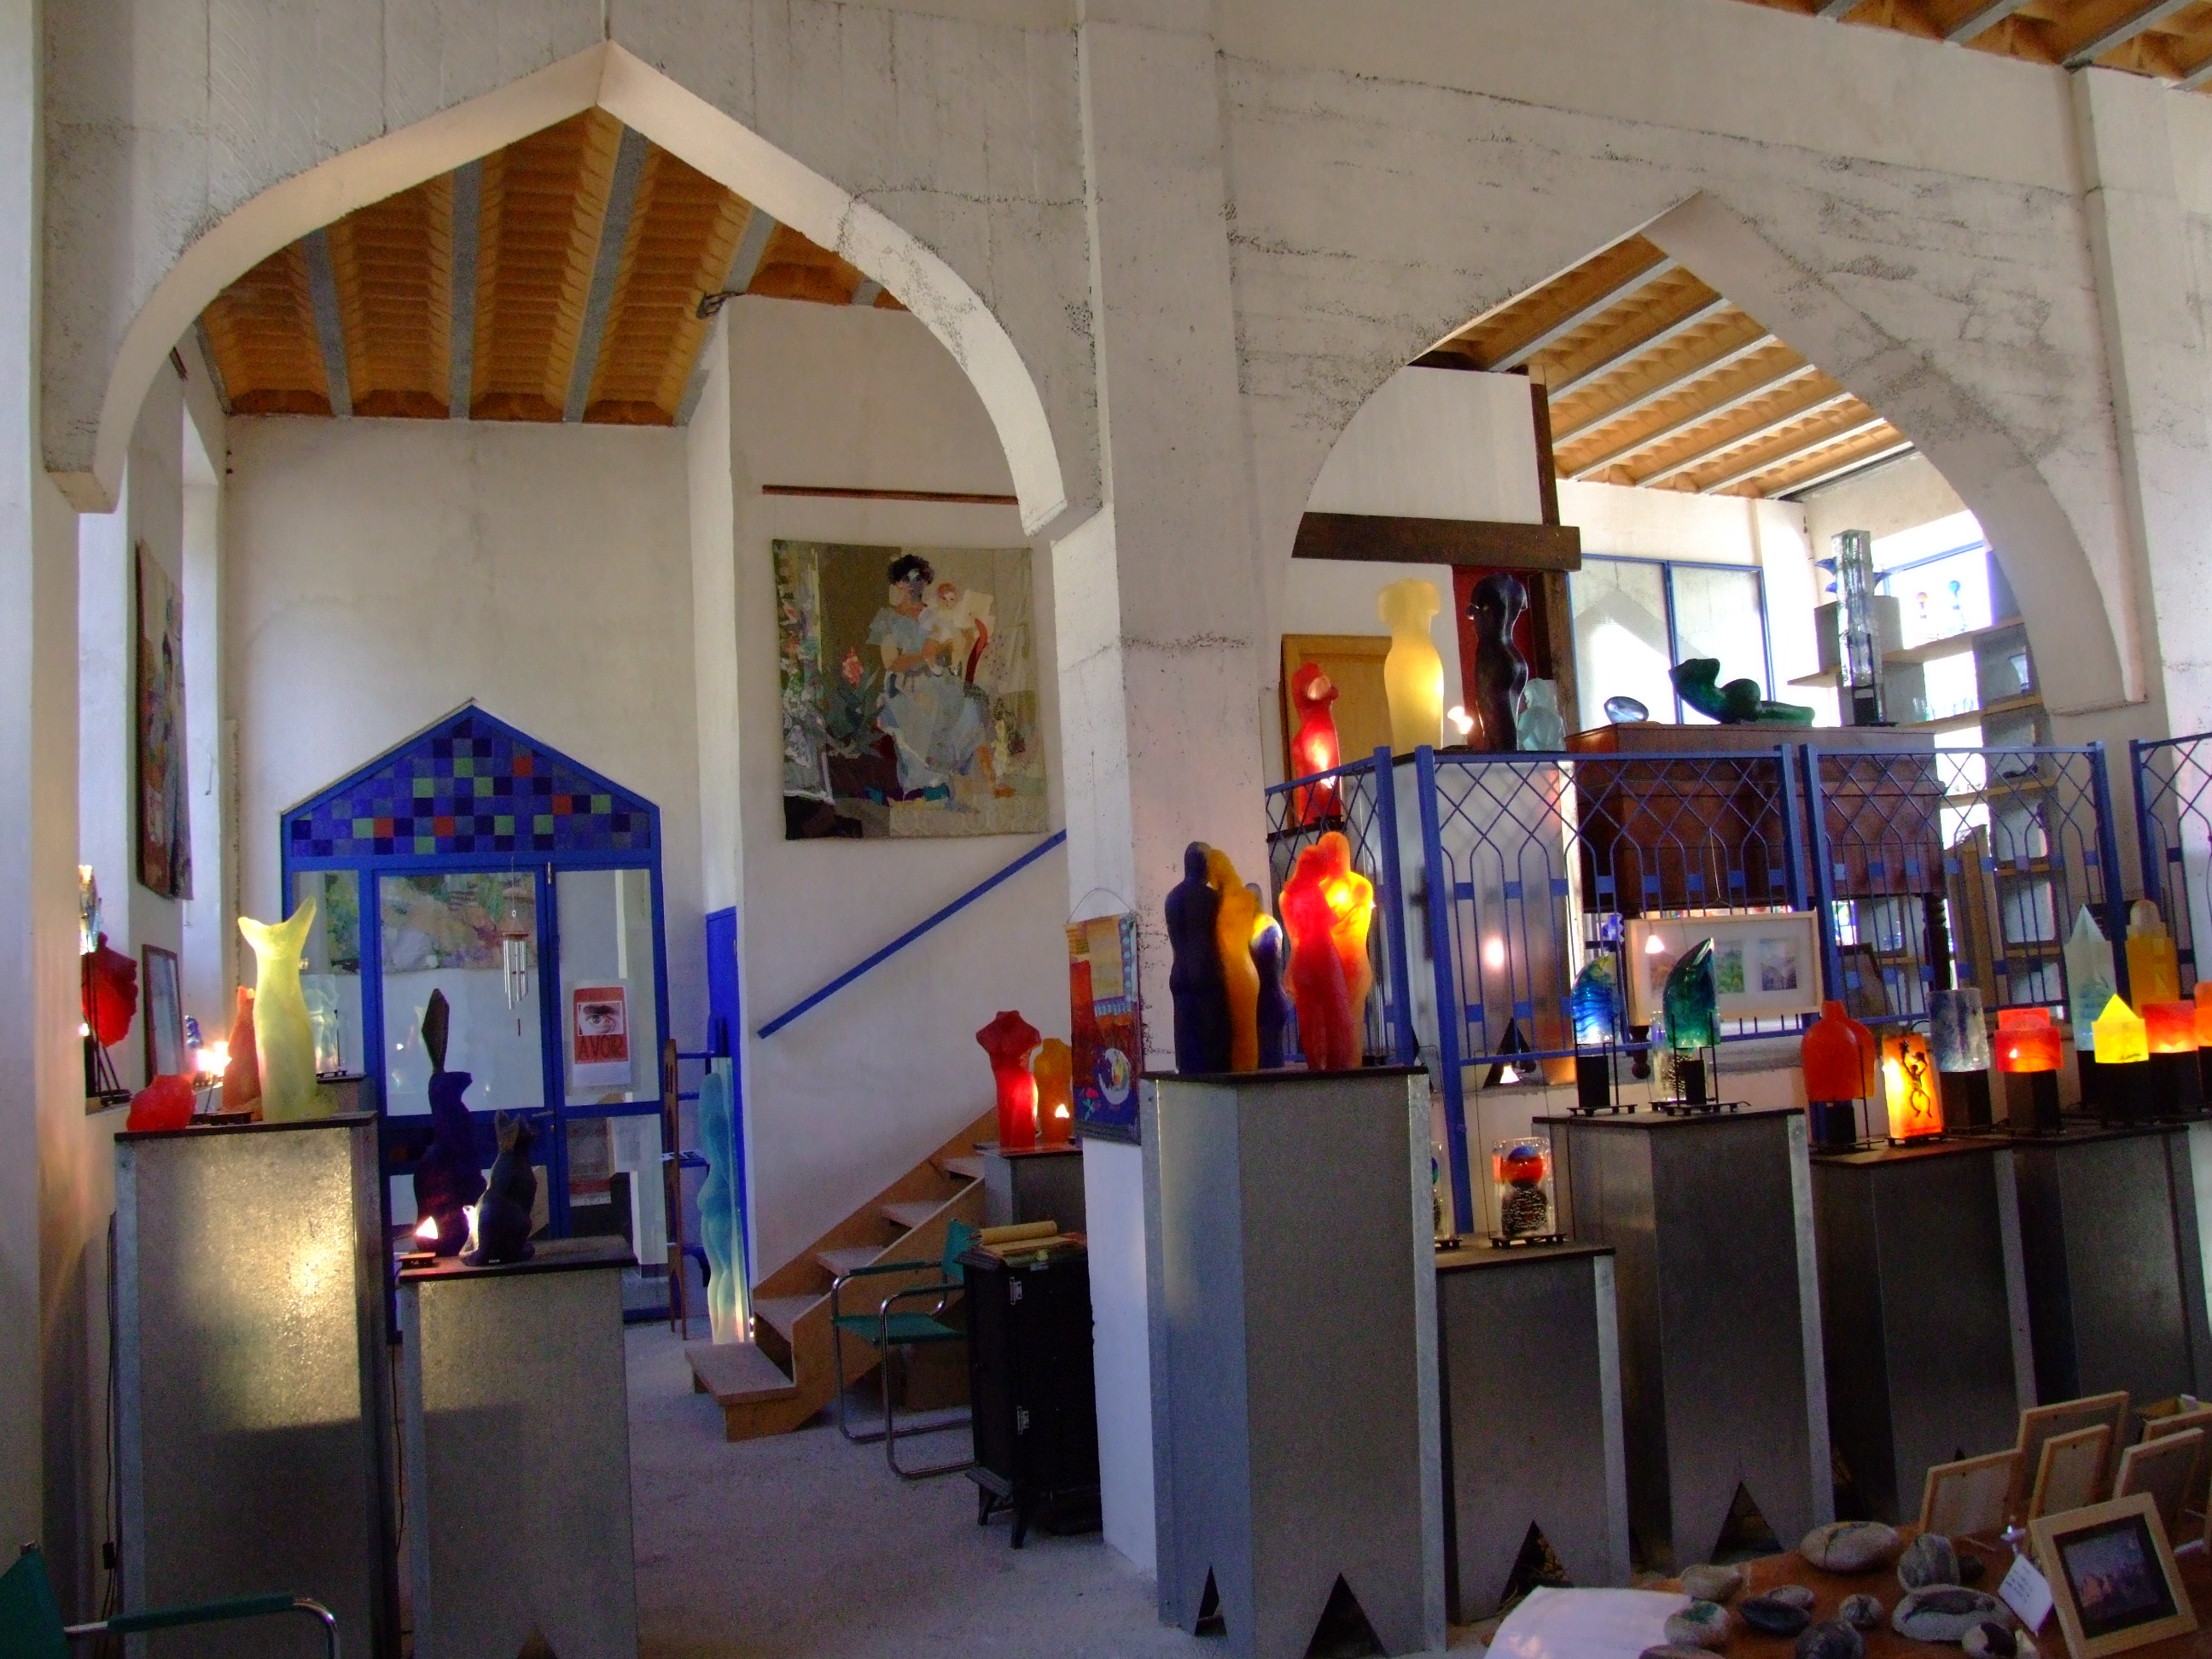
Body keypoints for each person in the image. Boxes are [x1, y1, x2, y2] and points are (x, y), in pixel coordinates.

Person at [868, 555, 1003, 800]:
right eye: (907, 579)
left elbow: (950, 651)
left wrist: (950, 649)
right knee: (933, 703)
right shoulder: (888, 619)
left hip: (936, 679)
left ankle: (987, 781)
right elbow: (892, 662)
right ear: (897, 583)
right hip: (904, 684)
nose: (914, 584)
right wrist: (924, 656)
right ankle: (932, 783)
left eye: (919, 578)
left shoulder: (934, 615)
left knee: (971, 701)